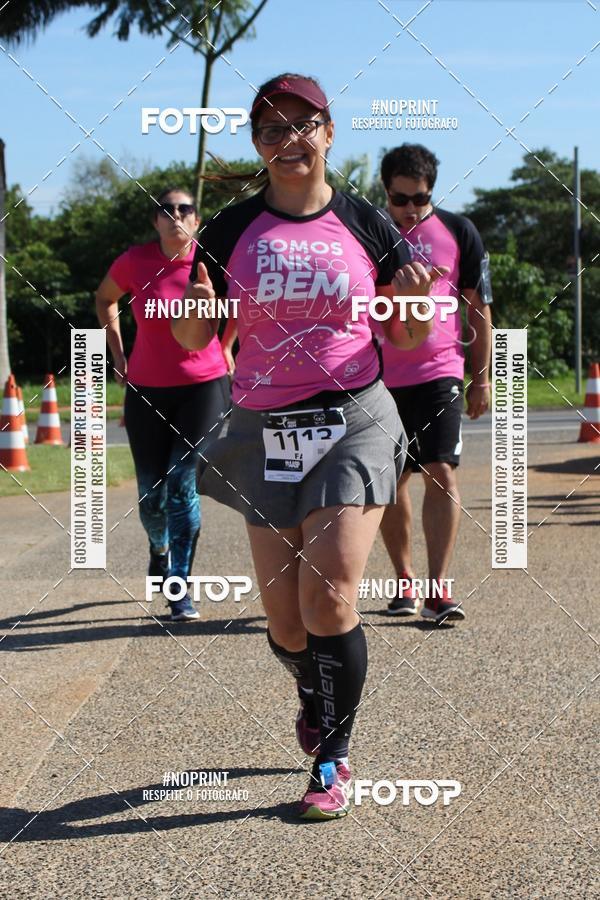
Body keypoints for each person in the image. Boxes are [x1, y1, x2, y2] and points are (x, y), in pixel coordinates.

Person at [172, 74, 444, 820]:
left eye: (302, 125)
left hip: (355, 417)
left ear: (328, 131)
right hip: (265, 426)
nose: (288, 141)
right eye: (271, 130)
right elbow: (194, 337)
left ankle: (332, 758)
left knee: (328, 596)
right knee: (286, 622)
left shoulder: (366, 224)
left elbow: (406, 336)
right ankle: (311, 688)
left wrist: (415, 306)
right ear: (257, 144)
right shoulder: (230, 230)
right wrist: (196, 309)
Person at [95, 188, 231, 621]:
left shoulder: (211, 261)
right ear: (155, 221)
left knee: (181, 483)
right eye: (165, 209)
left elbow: (241, 306)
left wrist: (228, 345)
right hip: (146, 389)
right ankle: (159, 548)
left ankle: (180, 586)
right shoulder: (134, 261)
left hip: (204, 388)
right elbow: (105, 298)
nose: (175, 215)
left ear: (196, 219)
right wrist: (118, 355)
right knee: (150, 497)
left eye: (184, 209)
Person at [378, 144, 492, 624]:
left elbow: (479, 308)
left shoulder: (459, 231)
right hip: (377, 378)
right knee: (391, 482)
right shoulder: (367, 232)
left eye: (420, 199)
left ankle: (438, 589)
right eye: (400, 198)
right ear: (385, 191)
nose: (410, 209)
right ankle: (404, 579)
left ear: (432, 192)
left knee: (441, 471)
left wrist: (481, 378)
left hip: (439, 371)